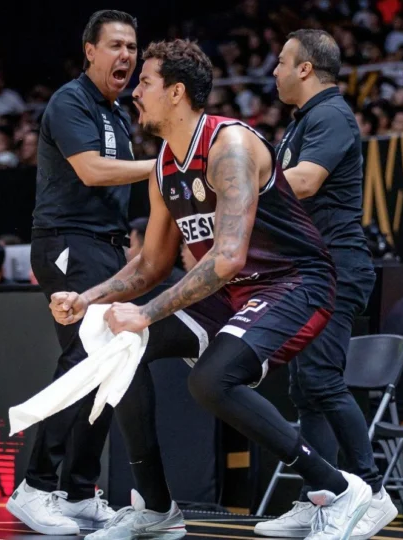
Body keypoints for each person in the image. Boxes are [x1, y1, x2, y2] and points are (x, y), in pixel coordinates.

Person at [52, 39, 372, 540]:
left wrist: (146, 313)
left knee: (211, 380)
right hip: (235, 291)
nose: (136, 92)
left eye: (146, 83)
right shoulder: (163, 164)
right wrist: (90, 298)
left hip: (296, 282)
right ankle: (156, 508)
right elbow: (153, 263)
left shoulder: (231, 146)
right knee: (122, 347)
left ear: (176, 92)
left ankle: (340, 488)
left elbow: (226, 257)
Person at [8, 9, 155, 536]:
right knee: (81, 359)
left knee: (110, 364)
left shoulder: (118, 111)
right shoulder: (70, 102)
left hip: (105, 247)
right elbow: (92, 170)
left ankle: (75, 491)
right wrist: (164, 165)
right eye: (115, 45)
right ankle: (36, 487)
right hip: (68, 243)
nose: (126, 56)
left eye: (133, 48)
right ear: (89, 50)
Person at [255, 29, 396, 540]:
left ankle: (374, 494)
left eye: (281, 62)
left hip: (337, 266)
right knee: (305, 389)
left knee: (320, 381)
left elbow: (307, 182)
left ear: (306, 69)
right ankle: (321, 497)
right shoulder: (305, 121)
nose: (274, 71)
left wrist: (239, 191)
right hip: (312, 268)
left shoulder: (332, 115)